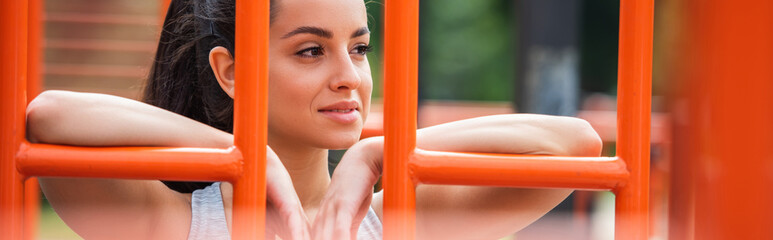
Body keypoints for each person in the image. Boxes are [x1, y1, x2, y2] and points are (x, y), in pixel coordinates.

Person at [25, 0, 602, 239]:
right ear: (231, 72)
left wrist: (374, 156)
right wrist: (249, 160)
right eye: (310, 50)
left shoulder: (390, 220)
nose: (349, 75)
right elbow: (50, 115)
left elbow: (575, 143)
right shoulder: (181, 223)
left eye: (359, 47)